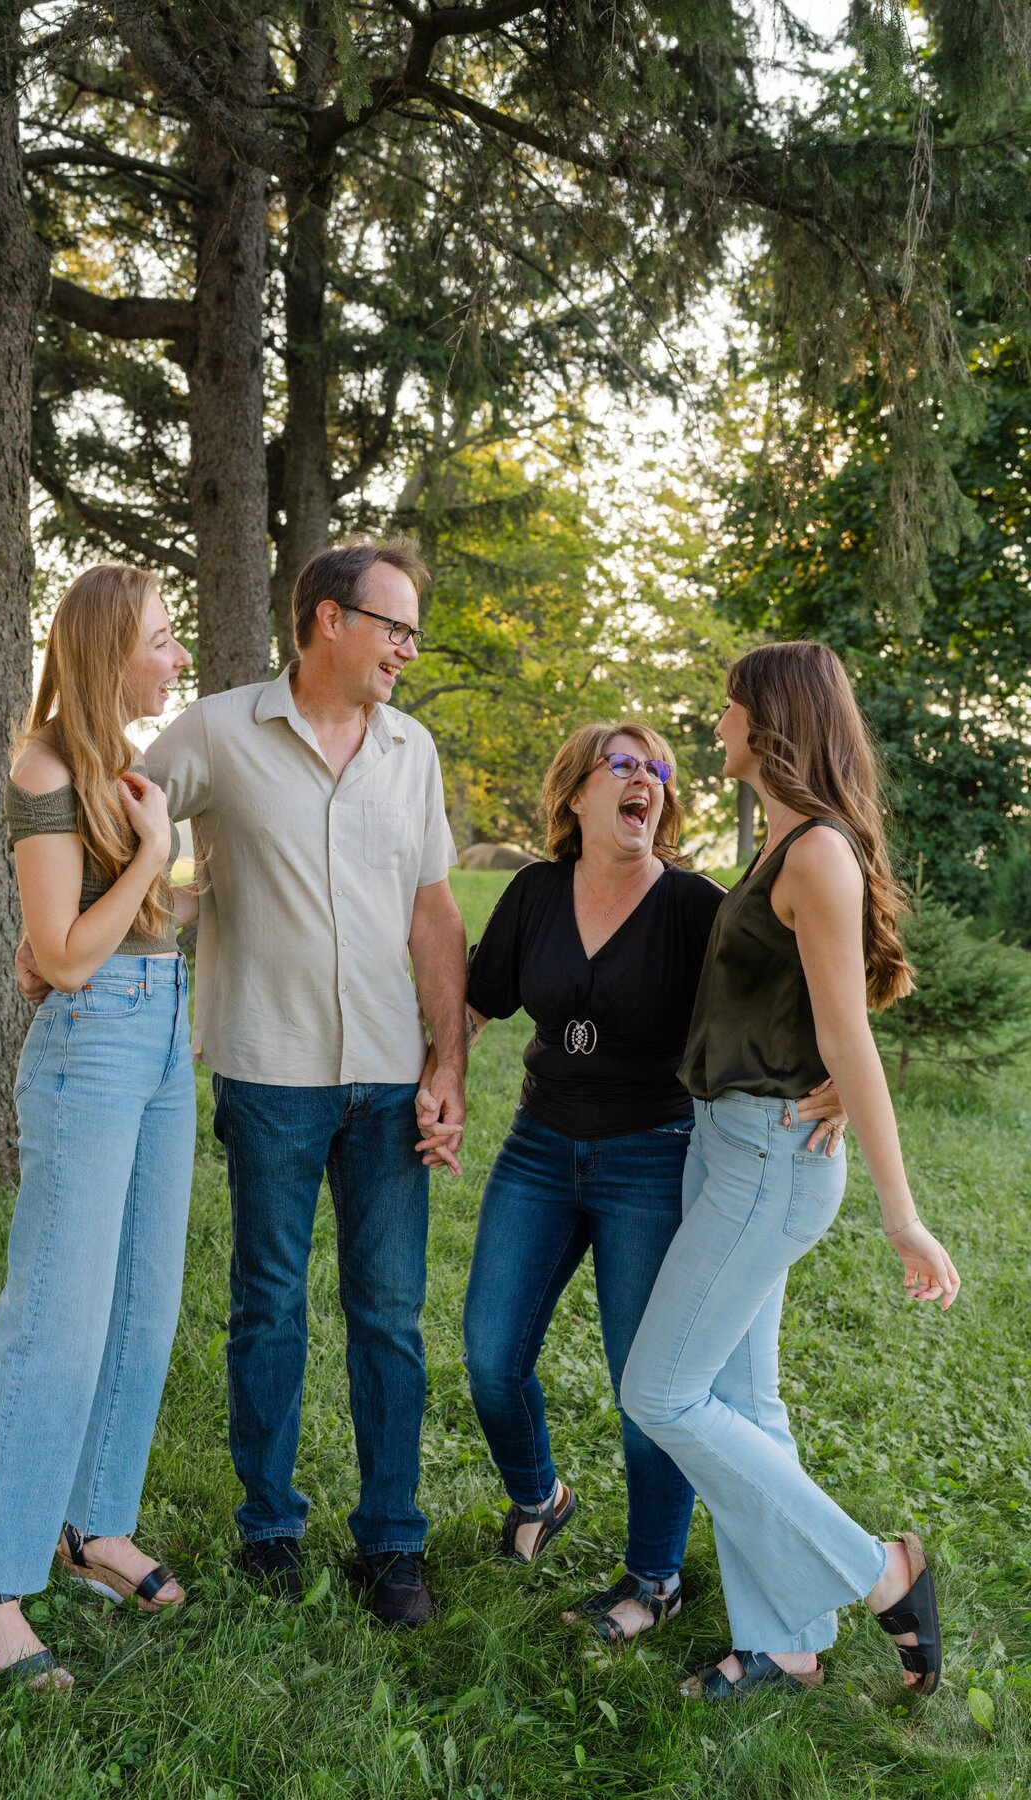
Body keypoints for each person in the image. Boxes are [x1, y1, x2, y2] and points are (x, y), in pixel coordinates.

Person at [416, 721, 845, 1642]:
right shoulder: (533, 892)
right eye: (624, 765)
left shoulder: (696, 905)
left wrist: (844, 1067)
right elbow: (479, 999)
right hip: (539, 1146)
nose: (644, 779)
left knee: (645, 1383)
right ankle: (541, 1494)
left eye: (657, 770)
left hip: (653, 1155)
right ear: (577, 795)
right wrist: (441, 1076)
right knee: (491, 1357)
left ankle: (654, 1577)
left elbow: (803, 971)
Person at [620, 641, 960, 1699]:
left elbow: (851, 1035)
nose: (714, 725)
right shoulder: (783, 841)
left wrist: (901, 1215)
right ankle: (789, 1641)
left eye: (727, 709)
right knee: (743, 1401)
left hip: (771, 1159)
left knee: (662, 1392)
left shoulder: (815, 852)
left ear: (770, 724)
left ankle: (879, 1573)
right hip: (730, 1142)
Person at [142, 535, 466, 1627]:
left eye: (413, 633)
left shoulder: (412, 751)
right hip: (269, 1073)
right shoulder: (220, 731)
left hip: (386, 1078)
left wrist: (449, 1058)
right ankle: (268, 1528)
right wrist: (105, 920)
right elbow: (119, 814)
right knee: (268, 1309)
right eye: (395, 628)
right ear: (329, 619)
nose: (407, 651)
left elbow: (432, 914)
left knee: (389, 1316)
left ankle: (393, 1542)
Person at [0, 563, 196, 1689]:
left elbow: (115, 933)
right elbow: (60, 957)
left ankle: (90, 1527)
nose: (176, 658)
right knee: (57, 1317)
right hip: (92, 1051)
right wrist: (152, 853)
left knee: (145, 1305)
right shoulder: (45, 767)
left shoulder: (120, 768)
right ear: (105, 651)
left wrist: (164, 883)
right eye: (161, 639)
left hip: (162, 1034)